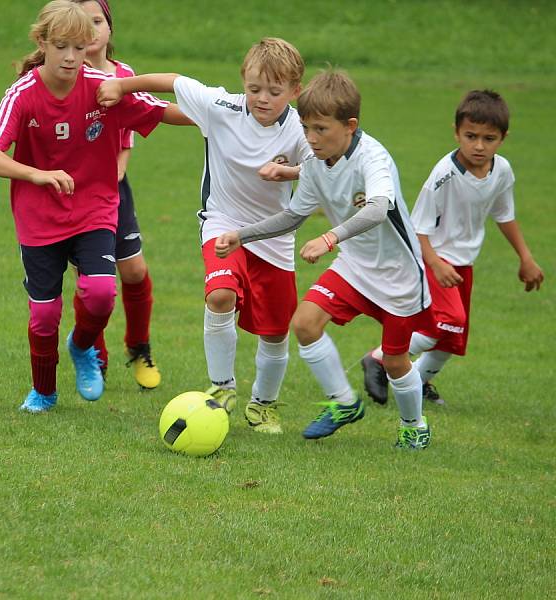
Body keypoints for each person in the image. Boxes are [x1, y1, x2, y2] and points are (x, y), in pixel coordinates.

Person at [0, 0, 187, 413]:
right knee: (43, 316)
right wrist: (36, 174)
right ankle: (44, 391)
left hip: (94, 207)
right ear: (42, 42)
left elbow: (161, 112)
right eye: (62, 47)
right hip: (38, 218)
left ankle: (81, 346)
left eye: (79, 46)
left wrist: (223, 115)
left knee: (99, 293)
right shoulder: (22, 93)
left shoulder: (102, 88)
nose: (72, 57)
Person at [98, 37, 311, 434]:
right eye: (254, 88)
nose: (262, 98)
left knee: (276, 329)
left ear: (295, 91)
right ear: (242, 83)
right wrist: (123, 86)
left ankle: (263, 405)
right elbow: (175, 80)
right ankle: (222, 387)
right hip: (222, 221)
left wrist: (287, 172)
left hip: (274, 234)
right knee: (219, 296)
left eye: (274, 91)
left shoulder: (301, 129)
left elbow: (323, 171)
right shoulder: (222, 106)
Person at [215, 69, 433, 449]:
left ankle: (414, 425)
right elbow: (294, 215)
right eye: (305, 128)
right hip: (353, 267)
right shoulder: (316, 164)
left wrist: (330, 237)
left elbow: (379, 208)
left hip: (399, 276)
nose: (311, 139)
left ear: (350, 126)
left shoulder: (373, 157)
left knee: (396, 363)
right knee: (304, 324)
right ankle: (344, 402)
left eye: (321, 129)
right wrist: (242, 235)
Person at [360, 90, 545, 406]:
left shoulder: (502, 171)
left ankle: (416, 382)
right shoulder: (443, 175)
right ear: (456, 132)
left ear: (503, 138)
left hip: (463, 264)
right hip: (433, 258)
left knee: (451, 340)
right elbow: (418, 227)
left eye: (489, 138)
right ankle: (378, 358)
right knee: (443, 325)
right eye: (470, 136)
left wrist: (525, 257)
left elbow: (504, 214)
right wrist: (435, 263)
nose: (478, 145)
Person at [72, 0, 161, 390]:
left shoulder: (124, 76)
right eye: (81, 24)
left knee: (134, 271)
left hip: (113, 188)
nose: (90, 31)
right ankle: (96, 354)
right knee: (94, 280)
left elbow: (129, 130)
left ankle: (139, 347)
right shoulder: (65, 74)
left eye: (96, 22)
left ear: (109, 28)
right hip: (74, 192)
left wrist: (119, 165)